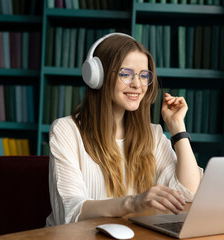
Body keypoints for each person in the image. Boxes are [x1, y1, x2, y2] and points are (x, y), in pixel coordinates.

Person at [46, 33, 202, 226]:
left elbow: (189, 193)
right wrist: (132, 202)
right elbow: (70, 212)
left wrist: (178, 128)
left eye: (144, 75)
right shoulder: (66, 131)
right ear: (97, 77)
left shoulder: (152, 135)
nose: (137, 84)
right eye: (126, 74)